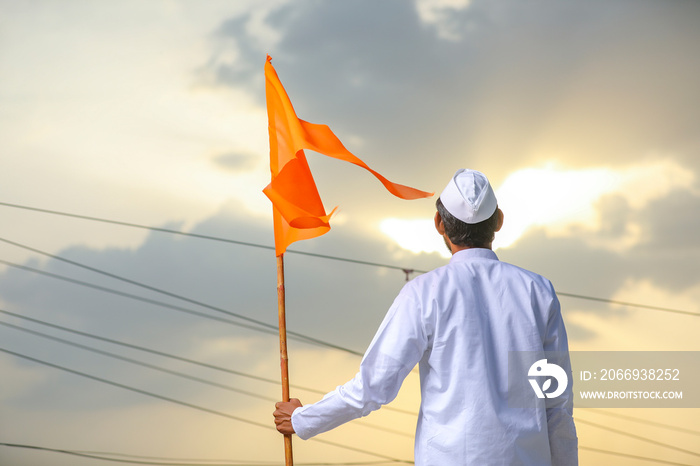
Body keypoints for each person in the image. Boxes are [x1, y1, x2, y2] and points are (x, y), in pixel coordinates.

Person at [273, 169, 578, 465]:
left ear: (439, 223)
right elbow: (557, 404)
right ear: (498, 221)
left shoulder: (423, 293)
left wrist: (303, 420)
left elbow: (372, 386)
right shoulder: (538, 291)